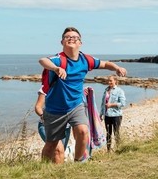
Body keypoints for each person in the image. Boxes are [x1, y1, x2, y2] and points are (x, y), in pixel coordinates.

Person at [39, 26, 127, 164]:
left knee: (83, 132)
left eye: (75, 37)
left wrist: (117, 68)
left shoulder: (85, 59)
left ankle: (78, 163)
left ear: (80, 43)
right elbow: (43, 60)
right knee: (52, 146)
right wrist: (56, 68)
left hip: (76, 105)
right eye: (68, 37)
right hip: (55, 110)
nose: (72, 39)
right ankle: (42, 168)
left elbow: (105, 64)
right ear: (62, 42)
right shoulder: (58, 59)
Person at [34, 88, 71, 157]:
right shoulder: (46, 87)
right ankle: (45, 166)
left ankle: (54, 166)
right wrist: (44, 116)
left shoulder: (71, 87)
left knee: (61, 150)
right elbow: (38, 107)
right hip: (47, 125)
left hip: (66, 127)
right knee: (56, 148)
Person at [100, 75, 126, 152]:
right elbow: (102, 103)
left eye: (111, 80)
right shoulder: (106, 90)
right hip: (107, 115)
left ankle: (119, 149)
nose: (109, 82)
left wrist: (111, 105)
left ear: (115, 81)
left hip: (116, 115)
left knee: (116, 133)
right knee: (108, 133)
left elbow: (123, 103)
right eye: (108, 80)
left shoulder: (119, 91)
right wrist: (101, 113)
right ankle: (108, 151)